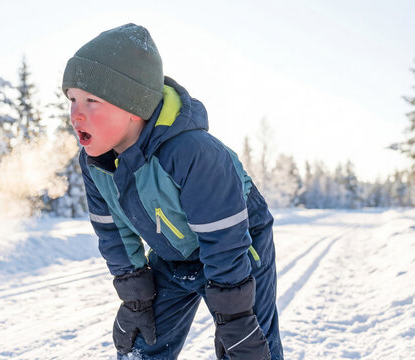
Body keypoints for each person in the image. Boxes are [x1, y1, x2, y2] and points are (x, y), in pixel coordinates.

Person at [62, 23, 283, 360]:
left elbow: (224, 239)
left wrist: (234, 315)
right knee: (143, 342)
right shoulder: (96, 164)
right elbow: (113, 233)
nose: (76, 114)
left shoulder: (192, 152)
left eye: (92, 100)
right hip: (172, 254)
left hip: (237, 244)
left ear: (133, 105)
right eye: (72, 99)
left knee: (248, 345)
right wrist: (135, 295)